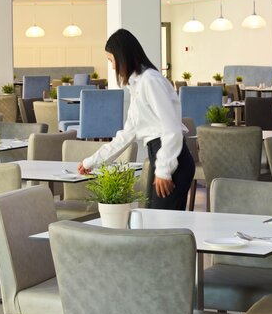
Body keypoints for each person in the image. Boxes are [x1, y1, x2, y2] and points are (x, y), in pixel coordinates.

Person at [78, 28, 195, 210]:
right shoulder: (137, 85)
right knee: (158, 220)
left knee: (163, 223)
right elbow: (126, 135)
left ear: (122, 56)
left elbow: (172, 129)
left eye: (111, 60)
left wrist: (164, 170)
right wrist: (91, 162)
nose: (112, 67)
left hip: (172, 159)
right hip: (160, 156)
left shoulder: (150, 81)